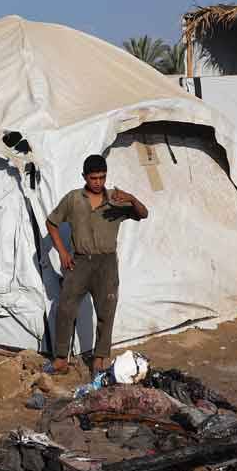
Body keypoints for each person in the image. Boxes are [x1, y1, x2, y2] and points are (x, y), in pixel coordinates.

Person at [46, 154, 148, 375]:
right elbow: (51, 222)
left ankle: (99, 360)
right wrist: (63, 252)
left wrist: (131, 198)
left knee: (106, 310)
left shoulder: (116, 199)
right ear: (84, 177)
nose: (98, 182)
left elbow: (143, 214)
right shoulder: (74, 199)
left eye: (102, 177)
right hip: (80, 261)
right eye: (93, 178)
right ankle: (61, 359)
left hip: (107, 263)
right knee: (65, 308)